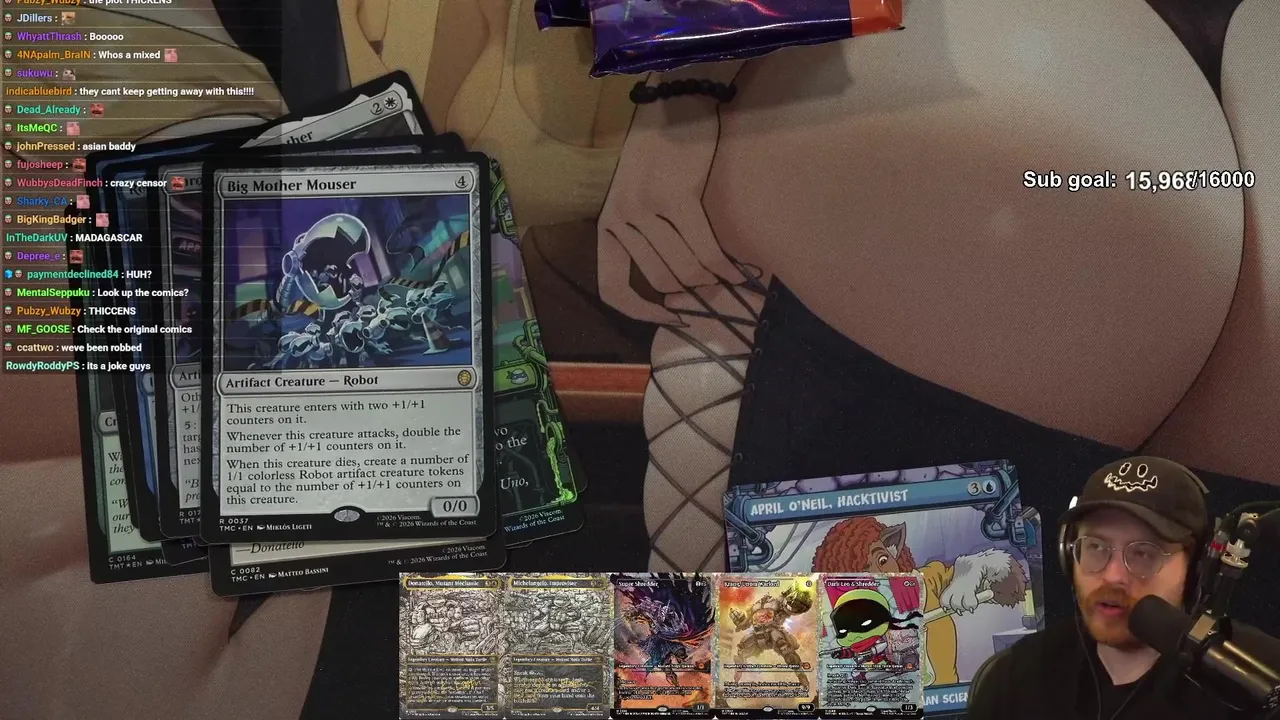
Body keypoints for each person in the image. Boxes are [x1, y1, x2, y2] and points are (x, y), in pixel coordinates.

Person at [967, 457, 1247, 719]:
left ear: (1197, 570)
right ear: (1068, 555)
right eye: (1096, 547)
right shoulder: (1016, 678)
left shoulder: (1239, 698)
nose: (1113, 576)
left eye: (1143, 554)